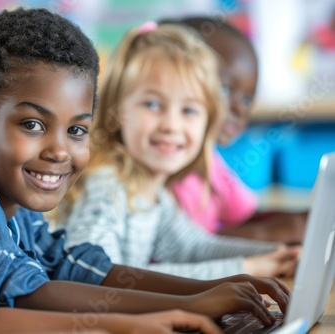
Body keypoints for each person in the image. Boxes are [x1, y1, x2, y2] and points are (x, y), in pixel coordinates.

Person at [0, 7, 288, 333]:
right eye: (33, 125)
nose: (60, 150)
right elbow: (27, 296)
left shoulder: (12, 205)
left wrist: (208, 291)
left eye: (77, 130)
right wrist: (183, 306)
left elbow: (73, 268)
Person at [58, 22, 299, 280]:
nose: (171, 125)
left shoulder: (152, 191)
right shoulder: (107, 186)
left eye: (189, 110)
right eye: (152, 104)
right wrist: (249, 269)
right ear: (117, 108)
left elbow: (196, 248)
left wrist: (278, 254)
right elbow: (98, 278)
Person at [158, 16, 307, 245]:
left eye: (247, 99)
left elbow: (245, 218)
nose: (238, 107)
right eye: (226, 90)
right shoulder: (162, 166)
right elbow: (181, 249)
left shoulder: (211, 162)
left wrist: (303, 219)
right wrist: (268, 235)